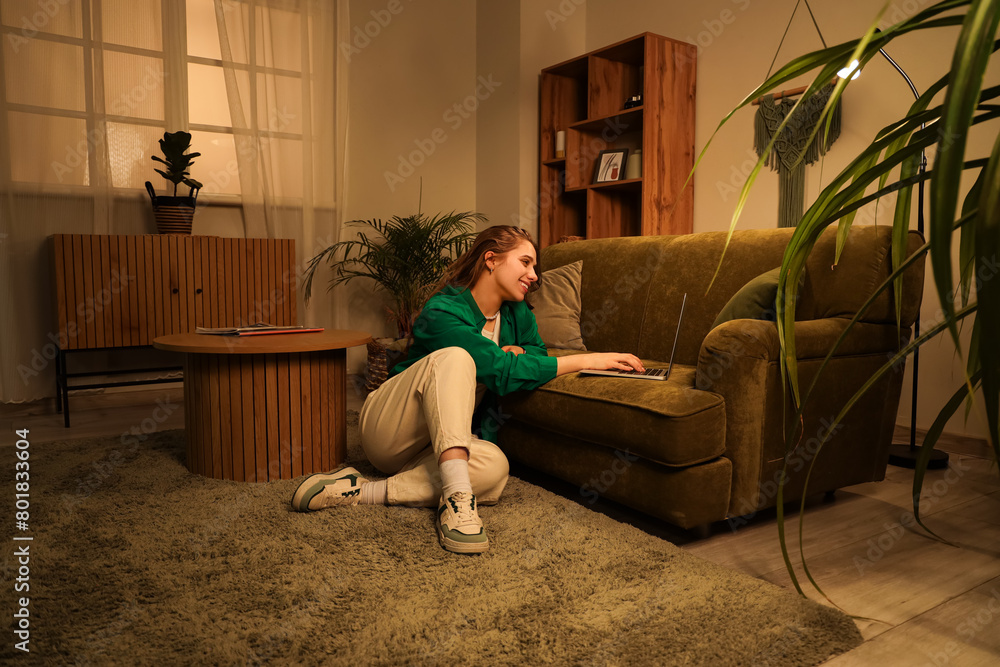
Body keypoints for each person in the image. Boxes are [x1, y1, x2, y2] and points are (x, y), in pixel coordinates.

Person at [291, 225, 643, 554]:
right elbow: (504, 371)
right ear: (491, 259)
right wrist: (586, 360)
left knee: (495, 469)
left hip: (443, 444)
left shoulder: (518, 313)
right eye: (525, 262)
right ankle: (458, 500)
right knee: (458, 358)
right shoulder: (441, 310)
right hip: (390, 432)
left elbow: (535, 352)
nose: (534, 275)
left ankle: (360, 491)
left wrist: (514, 352)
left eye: (534, 266)